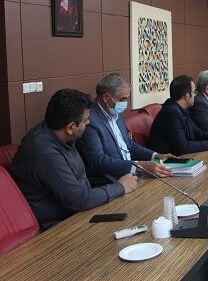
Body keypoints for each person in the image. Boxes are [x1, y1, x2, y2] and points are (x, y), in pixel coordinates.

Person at [9, 89, 137, 230]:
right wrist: (120, 187)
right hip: (57, 225)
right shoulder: (45, 153)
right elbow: (80, 200)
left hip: (77, 211)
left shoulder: (62, 134)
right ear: (70, 127)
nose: (89, 122)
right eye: (85, 120)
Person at [77, 73, 175, 187]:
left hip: (133, 172)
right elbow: (99, 162)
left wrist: (156, 156)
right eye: (122, 99)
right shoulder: (90, 121)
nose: (125, 104)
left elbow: (129, 144)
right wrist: (140, 166)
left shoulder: (115, 112)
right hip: (110, 181)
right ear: (106, 98)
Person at [149, 75, 208, 155]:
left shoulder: (183, 108)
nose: (195, 95)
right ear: (187, 96)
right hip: (167, 161)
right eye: (194, 92)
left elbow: (197, 132)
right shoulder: (171, 113)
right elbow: (183, 147)